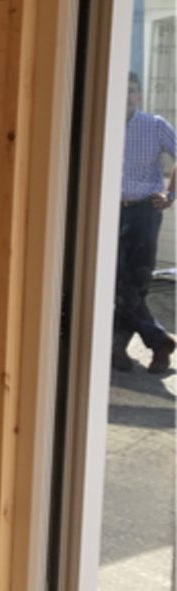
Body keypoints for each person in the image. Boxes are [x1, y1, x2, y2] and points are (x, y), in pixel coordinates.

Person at [112, 71, 176, 374]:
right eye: (122, 89)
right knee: (115, 280)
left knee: (137, 281)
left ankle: (118, 350)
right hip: (107, 212)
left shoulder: (155, 125)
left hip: (143, 212)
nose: (127, 95)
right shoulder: (101, 123)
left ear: (139, 95)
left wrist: (171, 195)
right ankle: (158, 341)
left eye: (133, 90)